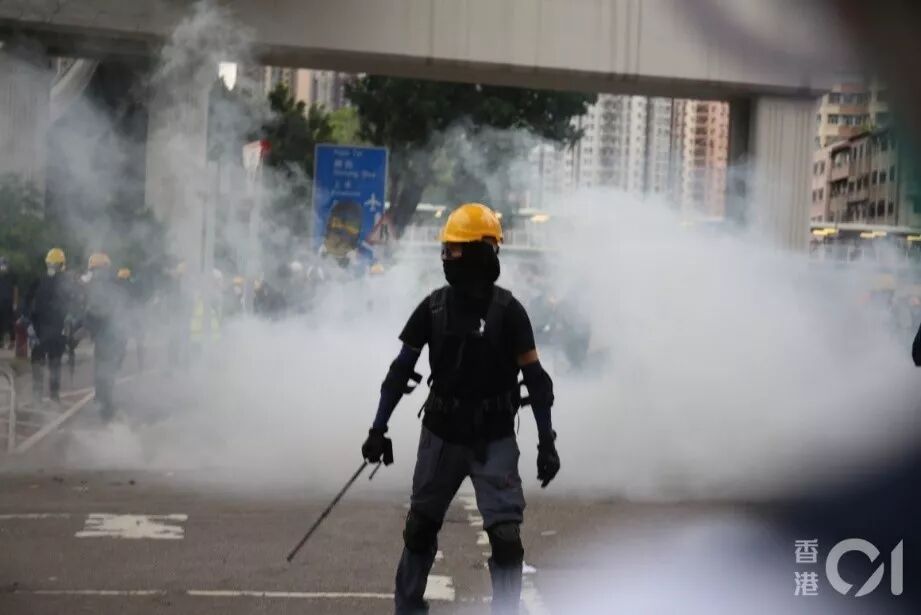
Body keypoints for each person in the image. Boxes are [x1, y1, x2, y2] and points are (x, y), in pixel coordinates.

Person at [360, 203, 561, 615]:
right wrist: (378, 429)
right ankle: (407, 609)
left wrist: (547, 441)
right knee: (419, 528)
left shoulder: (510, 312)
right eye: (445, 249)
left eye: (453, 249)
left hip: (494, 438)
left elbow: (537, 382)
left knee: (506, 537)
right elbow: (400, 372)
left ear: (479, 252)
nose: (446, 257)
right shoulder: (433, 307)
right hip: (442, 435)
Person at [83, 252, 128, 420]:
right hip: (109, 338)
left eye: (96, 270)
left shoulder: (104, 289)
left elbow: (97, 313)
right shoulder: (110, 287)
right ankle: (104, 405)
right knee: (104, 372)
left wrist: (85, 326)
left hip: (111, 338)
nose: (94, 275)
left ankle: (106, 408)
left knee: (105, 372)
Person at [29, 248, 73, 404]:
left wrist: (29, 324)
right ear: (61, 264)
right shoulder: (65, 283)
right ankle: (54, 396)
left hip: (40, 329)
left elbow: (28, 302)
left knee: (38, 361)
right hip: (55, 330)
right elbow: (71, 306)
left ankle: (37, 396)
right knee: (54, 363)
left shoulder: (39, 280)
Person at [0, 256, 15, 349]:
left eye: (4, 264)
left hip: (8, 302)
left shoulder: (11, 276)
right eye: (2, 264)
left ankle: (11, 342)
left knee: (9, 323)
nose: (3, 267)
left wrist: (15, 303)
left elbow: (15, 289)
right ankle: (1, 342)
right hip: (1, 302)